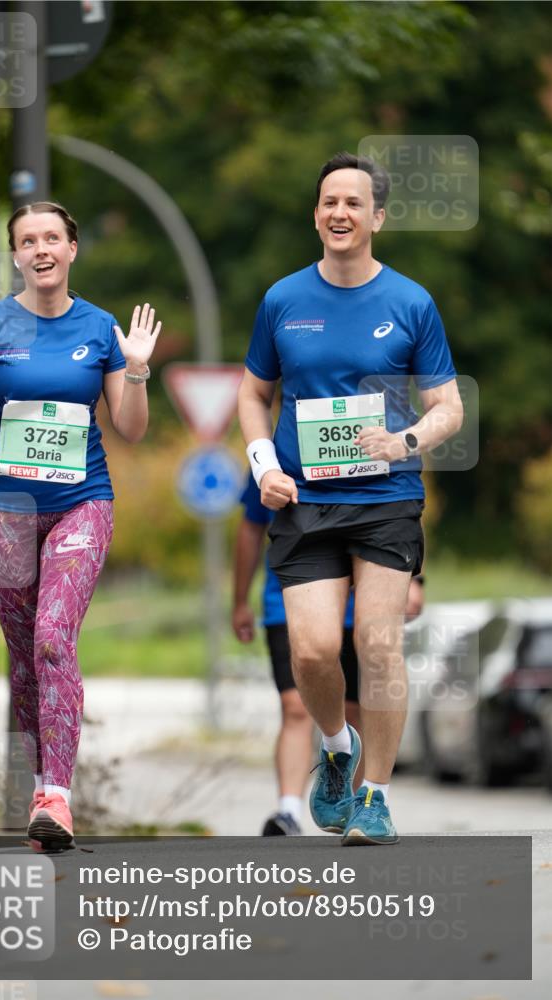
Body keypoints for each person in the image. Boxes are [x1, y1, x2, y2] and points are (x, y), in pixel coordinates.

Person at [238, 151, 462, 845]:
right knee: (309, 654)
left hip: (387, 497)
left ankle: (375, 797)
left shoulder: (409, 302)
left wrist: (404, 443)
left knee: (376, 642)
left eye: (354, 203)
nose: (340, 212)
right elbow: (253, 393)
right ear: (316, 214)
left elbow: (447, 405)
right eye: (329, 201)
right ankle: (337, 748)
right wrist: (260, 462)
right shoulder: (282, 301)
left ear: (377, 217)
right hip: (304, 500)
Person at [0, 201, 161, 851]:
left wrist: (136, 368)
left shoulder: (102, 328)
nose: (41, 249)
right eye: (27, 240)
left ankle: (56, 796)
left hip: (81, 503)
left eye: (52, 237)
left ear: (72, 249)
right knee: (26, 657)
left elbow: (132, 427)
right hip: (1, 512)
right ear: (16, 256)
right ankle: (39, 789)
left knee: (54, 636)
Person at [232, 472, 425, 835]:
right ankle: (289, 810)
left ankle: (365, 805)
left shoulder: (377, 434)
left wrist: (415, 579)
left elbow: (405, 508)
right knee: (296, 705)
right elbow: (250, 527)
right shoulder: (276, 455)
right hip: (291, 597)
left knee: (356, 706)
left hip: (363, 599)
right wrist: (240, 599)